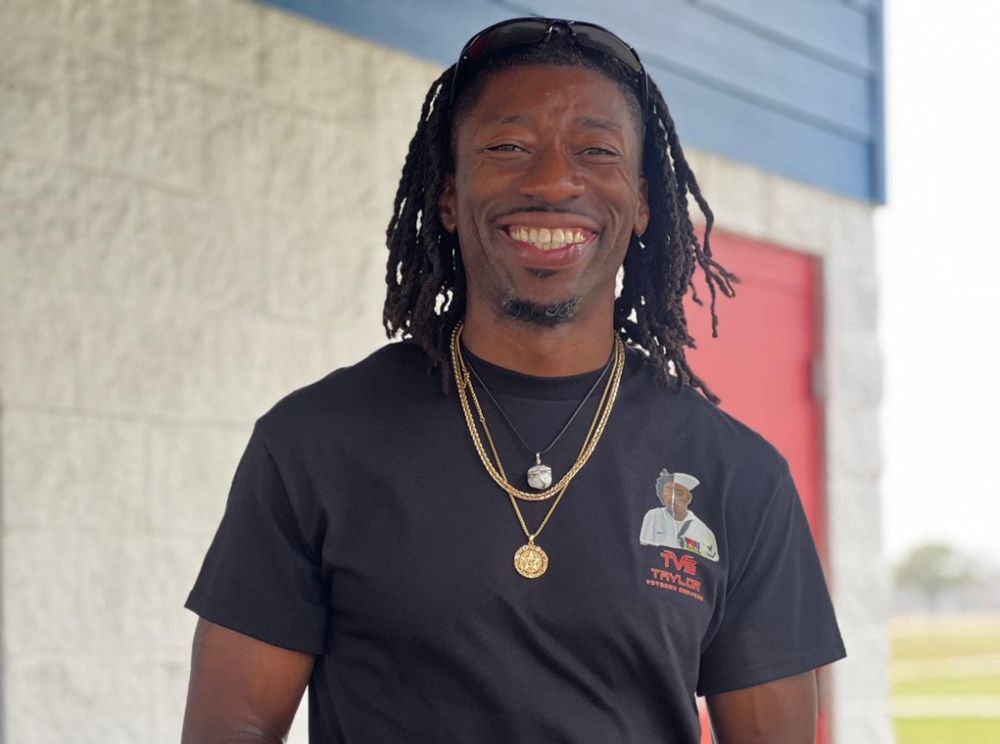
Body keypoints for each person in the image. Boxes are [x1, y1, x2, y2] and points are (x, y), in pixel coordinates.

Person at [181, 17, 845, 744]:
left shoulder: (737, 475)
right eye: (508, 146)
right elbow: (233, 727)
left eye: (596, 151)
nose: (554, 180)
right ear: (447, 194)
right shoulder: (315, 443)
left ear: (646, 203)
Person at [639, 470, 719, 561]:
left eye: (679, 493)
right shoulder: (653, 516)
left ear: (688, 498)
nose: (673, 498)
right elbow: (643, 552)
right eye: (668, 491)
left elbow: (713, 565)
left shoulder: (703, 532)